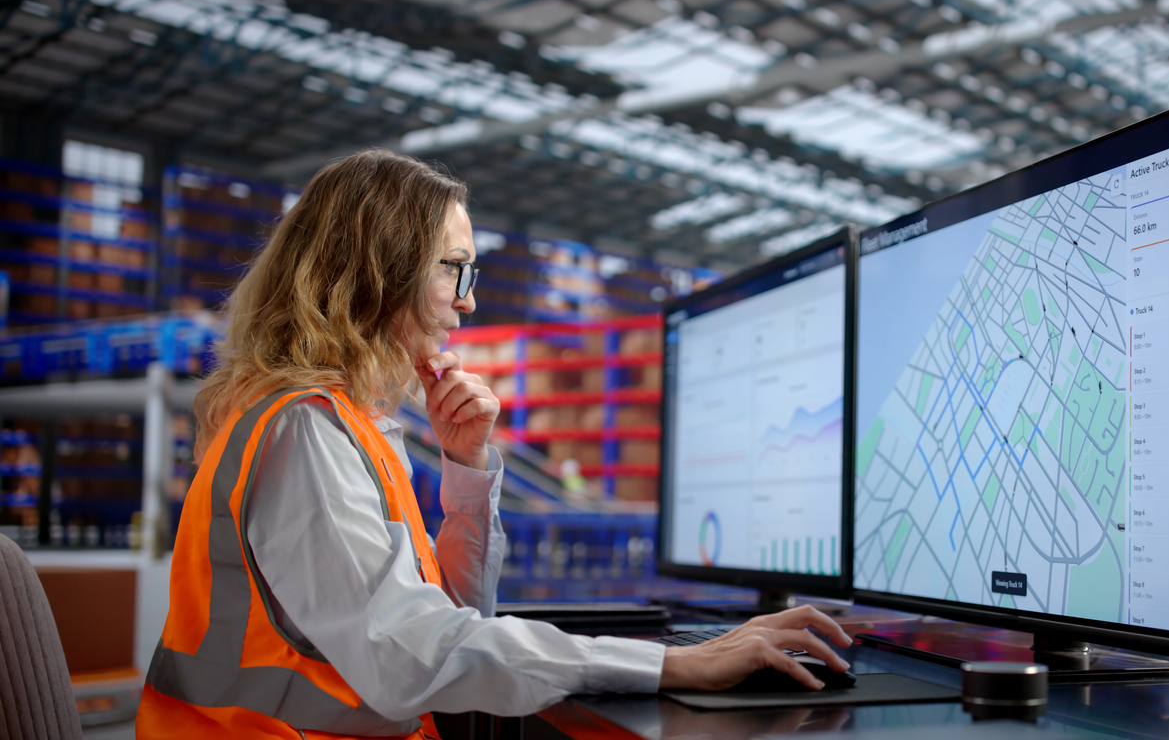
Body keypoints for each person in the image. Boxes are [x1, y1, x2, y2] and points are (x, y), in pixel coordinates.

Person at [135, 150, 852, 739]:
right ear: (380, 267)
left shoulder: (343, 424)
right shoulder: (303, 431)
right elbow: (410, 657)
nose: (468, 300)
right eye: (453, 268)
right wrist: (669, 666)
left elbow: (448, 621)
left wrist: (467, 469)